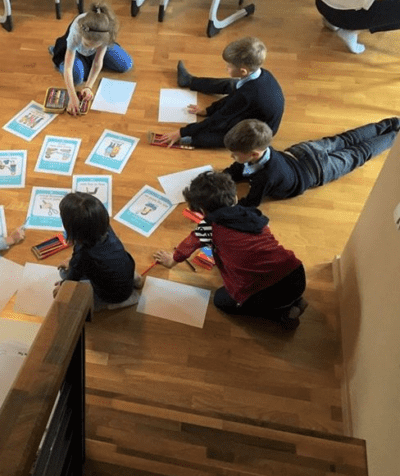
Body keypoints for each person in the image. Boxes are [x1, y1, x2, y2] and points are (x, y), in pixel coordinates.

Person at [153, 171, 307, 331]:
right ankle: (295, 300)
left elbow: (188, 245)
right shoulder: (252, 213)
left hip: (263, 292)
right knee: (278, 288)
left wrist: (172, 260)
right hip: (296, 273)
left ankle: (283, 313)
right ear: (234, 197)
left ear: (201, 211)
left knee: (221, 300)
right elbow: (263, 232)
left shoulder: (208, 226)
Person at [223, 118, 399, 207]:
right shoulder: (261, 151)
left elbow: (250, 203)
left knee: (359, 153)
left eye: (234, 155)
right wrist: (221, 178)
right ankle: (392, 123)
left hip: (318, 170)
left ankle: (395, 135)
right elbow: (237, 169)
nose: (232, 157)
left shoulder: (265, 177)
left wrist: (225, 204)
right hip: (304, 151)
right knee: (347, 139)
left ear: (254, 154)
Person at [156, 37, 284, 149]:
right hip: (252, 104)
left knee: (219, 136)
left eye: (230, 66)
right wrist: (208, 110)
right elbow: (234, 97)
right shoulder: (262, 74)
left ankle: (189, 141)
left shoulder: (246, 95)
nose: (226, 68)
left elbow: (218, 118)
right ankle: (189, 81)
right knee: (231, 84)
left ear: (243, 71)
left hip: (258, 132)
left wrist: (182, 132)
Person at [53, 192, 143, 311]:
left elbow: (70, 280)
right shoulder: (106, 229)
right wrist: (72, 261)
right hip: (121, 270)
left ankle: (120, 302)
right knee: (104, 269)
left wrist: (61, 288)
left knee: (64, 275)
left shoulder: (82, 255)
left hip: (114, 295)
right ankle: (134, 279)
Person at [49, 2, 133, 116]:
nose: (91, 48)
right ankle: (57, 52)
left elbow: (98, 62)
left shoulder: (105, 34)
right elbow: (68, 68)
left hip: (94, 49)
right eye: (88, 44)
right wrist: (72, 97)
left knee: (126, 64)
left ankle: (86, 61)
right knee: (77, 78)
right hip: (76, 51)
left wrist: (88, 86)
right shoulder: (76, 32)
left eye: (95, 46)